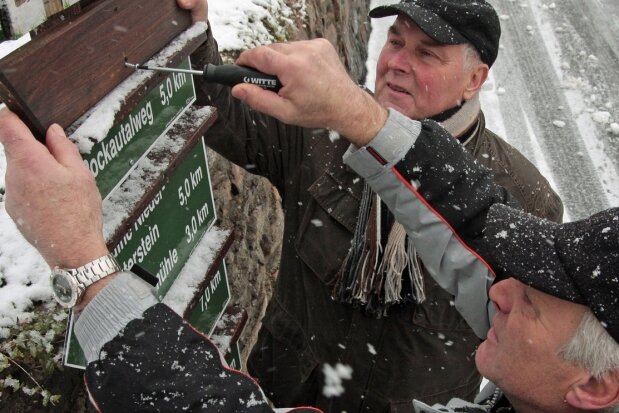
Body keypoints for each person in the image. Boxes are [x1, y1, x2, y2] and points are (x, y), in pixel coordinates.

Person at [179, 0, 563, 410]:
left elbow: (540, 351)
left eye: (426, 53)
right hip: (286, 392)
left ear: (474, 78)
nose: (397, 62)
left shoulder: (526, 200)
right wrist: (192, 28)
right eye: (394, 41)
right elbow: (221, 107)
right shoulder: (322, 122)